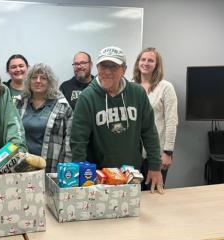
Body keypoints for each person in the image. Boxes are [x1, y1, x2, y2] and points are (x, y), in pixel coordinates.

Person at [70, 46, 164, 194]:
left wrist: (154, 166)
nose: (107, 71)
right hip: (99, 177)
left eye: (113, 66)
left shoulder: (137, 94)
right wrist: (82, 177)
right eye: (103, 66)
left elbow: (149, 132)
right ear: (97, 67)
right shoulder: (87, 97)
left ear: (124, 70)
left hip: (132, 175)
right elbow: (78, 141)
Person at [133, 47, 178, 189]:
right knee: (132, 196)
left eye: (151, 60)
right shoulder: (129, 85)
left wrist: (167, 152)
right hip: (133, 154)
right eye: (143, 59)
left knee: (154, 193)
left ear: (157, 65)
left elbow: (172, 121)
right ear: (138, 62)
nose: (146, 63)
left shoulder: (166, 87)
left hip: (156, 154)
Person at [16, 63, 72, 173]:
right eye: (34, 77)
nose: (38, 81)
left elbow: (68, 142)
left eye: (43, 78)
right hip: (21, 167)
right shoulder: (19, 103)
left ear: (49, 82)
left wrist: (65, 170)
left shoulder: (62, 106)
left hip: (50, 167)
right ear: (29, 80)